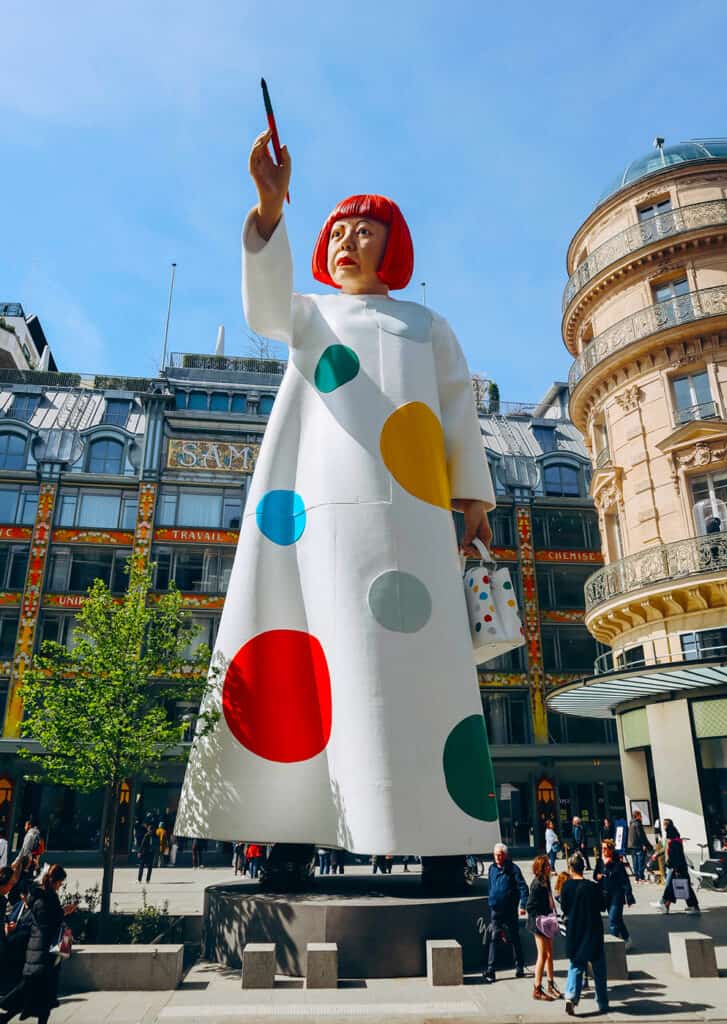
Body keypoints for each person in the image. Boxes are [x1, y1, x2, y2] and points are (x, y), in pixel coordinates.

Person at [175, 126, 499, 866]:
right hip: (318, 509)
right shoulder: (310, 315)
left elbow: (457, 412)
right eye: (339, 231)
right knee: (306, 649)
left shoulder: (429, 328)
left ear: (395, 246)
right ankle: (290, 838)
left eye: (366, 232)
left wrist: (472, 499)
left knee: (416, 672)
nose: (349, 242)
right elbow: (263, 306)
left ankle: (440, 842)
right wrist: (267, 208)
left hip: (414, 519)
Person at [0, 864, 77, 1024]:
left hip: (37, 953)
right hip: (43, 955)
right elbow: (47, 923)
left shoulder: (38, 897)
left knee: (33, 997)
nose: (60, 886)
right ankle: (4, 1017)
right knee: (39, 999)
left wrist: (61, 913)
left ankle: (5, 1017)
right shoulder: (47, 898)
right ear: (56, 882)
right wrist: (63, 913)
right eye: (60, 883)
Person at [560, 853, 609, 1016]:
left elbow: (565, 908)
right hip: (593, 930)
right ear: (583, 867)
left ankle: (570, 996)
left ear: (571, 868)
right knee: (599, 968)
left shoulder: (566, 887)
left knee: (576, 965)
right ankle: (602, 1002)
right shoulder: (593, 886)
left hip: (575, 930)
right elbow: (602, 906)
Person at [483, 843, 528, 984]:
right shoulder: (492, 869)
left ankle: (519, 966)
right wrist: (491, 898)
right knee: (494, 937)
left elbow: (523, 888)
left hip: (509, 909)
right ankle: (491, 969)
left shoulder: (513, 869)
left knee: (514, 937)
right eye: (495, 855)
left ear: (505, 855)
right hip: (496, 909)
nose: (497, 857)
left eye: (500, 855)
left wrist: (522, 905)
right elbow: (490, 885)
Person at [526, 854, 561, 1001]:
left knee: (550, 953)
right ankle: (537, 988)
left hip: (547, 921)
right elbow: (530, 906)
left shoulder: (546, 881)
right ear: (540, 869)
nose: (549, 867)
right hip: (539, 924)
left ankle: (551, 984)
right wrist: (543, 917)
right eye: (546, 865)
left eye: (548, 865)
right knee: (543, 955)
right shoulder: (536, 885)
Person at [593, 838, 634, 949]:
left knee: (612, 920)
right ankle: (627, 939)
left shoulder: (617, 863)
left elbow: (625, 881)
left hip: (617, 895)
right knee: (617, 919)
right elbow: (595, 875)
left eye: (605, 848)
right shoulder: (600, 861)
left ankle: (613, 946)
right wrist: (598, 876)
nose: (603, 851)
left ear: (611, 850)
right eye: (602, 848)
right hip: (605, 895)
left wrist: (629, 896)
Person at [653, 819, 699, 914]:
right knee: (673, 887)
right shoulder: (674, 840)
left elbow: (675, 856)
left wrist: (674, 867)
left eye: (665, 826)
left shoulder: (674, 843)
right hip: (676, 867)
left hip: (677, 868)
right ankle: (666, 905)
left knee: (679, 887)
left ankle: (694, 907)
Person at [627, 810, 653, 884]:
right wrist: (647, 845)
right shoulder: (637, 824)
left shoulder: (631, 824)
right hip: (637, 845)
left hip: (631, 846)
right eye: (640, 815)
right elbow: (641, 836)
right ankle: (641, 877)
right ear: (637, 816)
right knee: (640, 862)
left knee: (635, 862)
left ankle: (637, 878)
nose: (641, 817)